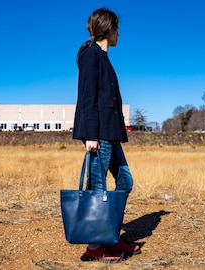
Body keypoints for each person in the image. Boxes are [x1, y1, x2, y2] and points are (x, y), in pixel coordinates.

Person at [73, 8, 141, 261]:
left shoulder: (103, 57)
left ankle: (109, 235)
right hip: (98, 134)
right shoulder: (91, 56)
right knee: (97, 187)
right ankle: (94, 248)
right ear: (109, 29)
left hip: (111, 133)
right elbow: (88, 97)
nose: (119, 35)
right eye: (117, 29)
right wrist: (90, 135)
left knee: (125, 181)